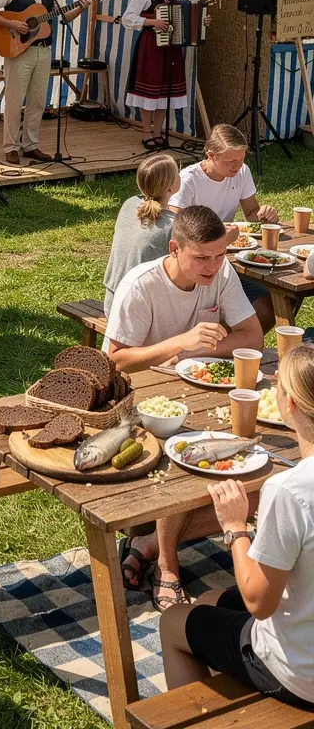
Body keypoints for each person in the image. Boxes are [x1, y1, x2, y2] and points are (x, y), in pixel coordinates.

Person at [104, 204, 264, 610]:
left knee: (261, 481)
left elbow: (253, 337)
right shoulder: (141, 285)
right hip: (141, 403)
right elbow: (116, 362)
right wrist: (179, 343)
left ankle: (147, 545)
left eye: (220, 255)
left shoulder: (221, 272)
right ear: (174, 249)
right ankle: (168, 567)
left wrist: (195, 353)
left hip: (197, 393)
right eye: (202, 258)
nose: (213, 266)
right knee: (185, 459)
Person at [160, 342, 314, 712]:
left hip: (301, 673)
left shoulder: (289, 490)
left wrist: (235, 528)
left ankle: (201, 719)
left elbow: (259, 602)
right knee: (208, 602)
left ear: (289, 405)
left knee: (172, 621)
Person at [0, 0, 90, 166]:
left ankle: (30, 145)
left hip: (43, 50)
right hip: (18, 50)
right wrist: (11, 23)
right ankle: (11, 147)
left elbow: (64, 15)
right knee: (14, 101)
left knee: (38, 101)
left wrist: (81, 7)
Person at [171, 124, 278, 334]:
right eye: (231, 161)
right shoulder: (189, 180)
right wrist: (218, 237)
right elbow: (174, 225)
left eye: (241, 159)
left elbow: (251, 212)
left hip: (228, 257)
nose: (238, 166)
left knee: (269, 303)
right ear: (211, 155)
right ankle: (210, 341)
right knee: (263, 301)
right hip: (201, 260)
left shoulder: (242, 172)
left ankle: (225, 343)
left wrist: (264, 214)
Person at [122, 0, 186, 149]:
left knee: (164, 92)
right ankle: (146, 133)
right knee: (149, 91)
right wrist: (152, 22)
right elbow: (127, 18)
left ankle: (158, 132)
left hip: (171, 48)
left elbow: (182, 17)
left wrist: (200, 21)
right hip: (151, 46)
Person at [103, 153, 179, 312]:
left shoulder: (129, 204)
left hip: (112, 301)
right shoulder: (172, 226)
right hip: (136, 309)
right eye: (177, 174)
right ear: (169, 187)